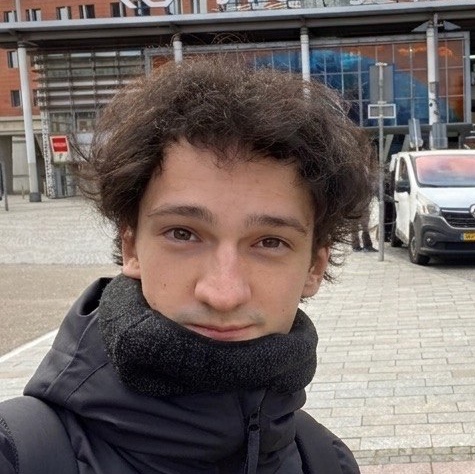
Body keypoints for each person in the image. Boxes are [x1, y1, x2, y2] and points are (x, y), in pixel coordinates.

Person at [0, 57, 374, 473]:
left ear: (314, 268)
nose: (222, 293)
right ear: (131, 247)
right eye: (183, 233)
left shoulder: (326, 460)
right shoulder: (18, 455)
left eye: (270, 242)